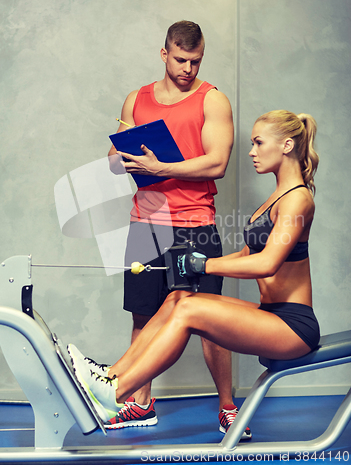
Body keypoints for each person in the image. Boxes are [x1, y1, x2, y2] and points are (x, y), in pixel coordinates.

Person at [69, 109, 320, 439]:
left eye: (258, 143)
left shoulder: (298, 201)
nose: (251, 151)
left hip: (293, 326)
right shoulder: (276, 196)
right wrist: (196, 259)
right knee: (180, 297)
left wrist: (204, 265)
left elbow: (266, 264)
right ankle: (109, 377)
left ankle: (113, 395)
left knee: (189, 308)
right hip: (271, 315)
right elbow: (249, 254)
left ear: (287, 145)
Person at [77, 20, 240, 435]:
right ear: (164, 53)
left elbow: (217, 162)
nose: (188, 68)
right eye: (181, 59)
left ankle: (227, 406)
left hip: (194, 224)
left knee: (211, 322)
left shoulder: (212, 100)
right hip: (146, 222)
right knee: (143, 315)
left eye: (196, 61)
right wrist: (119, 156)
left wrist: (162, 166)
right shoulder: (138, 99)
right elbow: (115, 157)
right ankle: (140, 402)